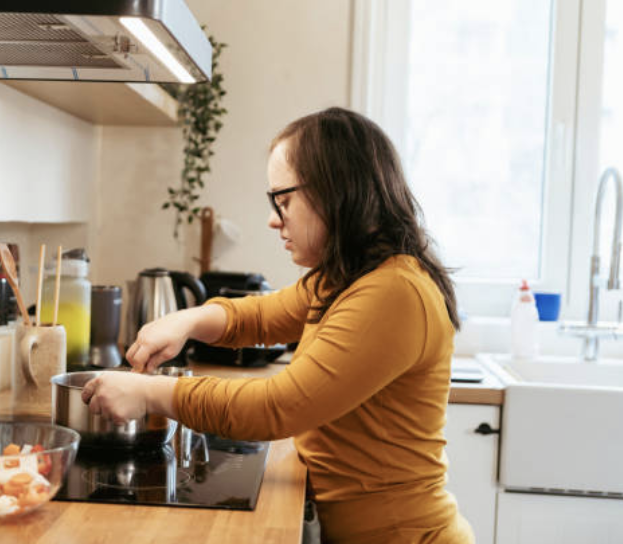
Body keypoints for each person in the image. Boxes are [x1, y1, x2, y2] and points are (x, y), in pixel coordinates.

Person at [80, 107, 475, 544]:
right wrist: (187, 319)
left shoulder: (394, 293)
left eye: (282, 202)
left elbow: (276, 408)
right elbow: (265, 315)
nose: (273, 218)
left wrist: (151, 393)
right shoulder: (348, 276)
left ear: (335, 191)